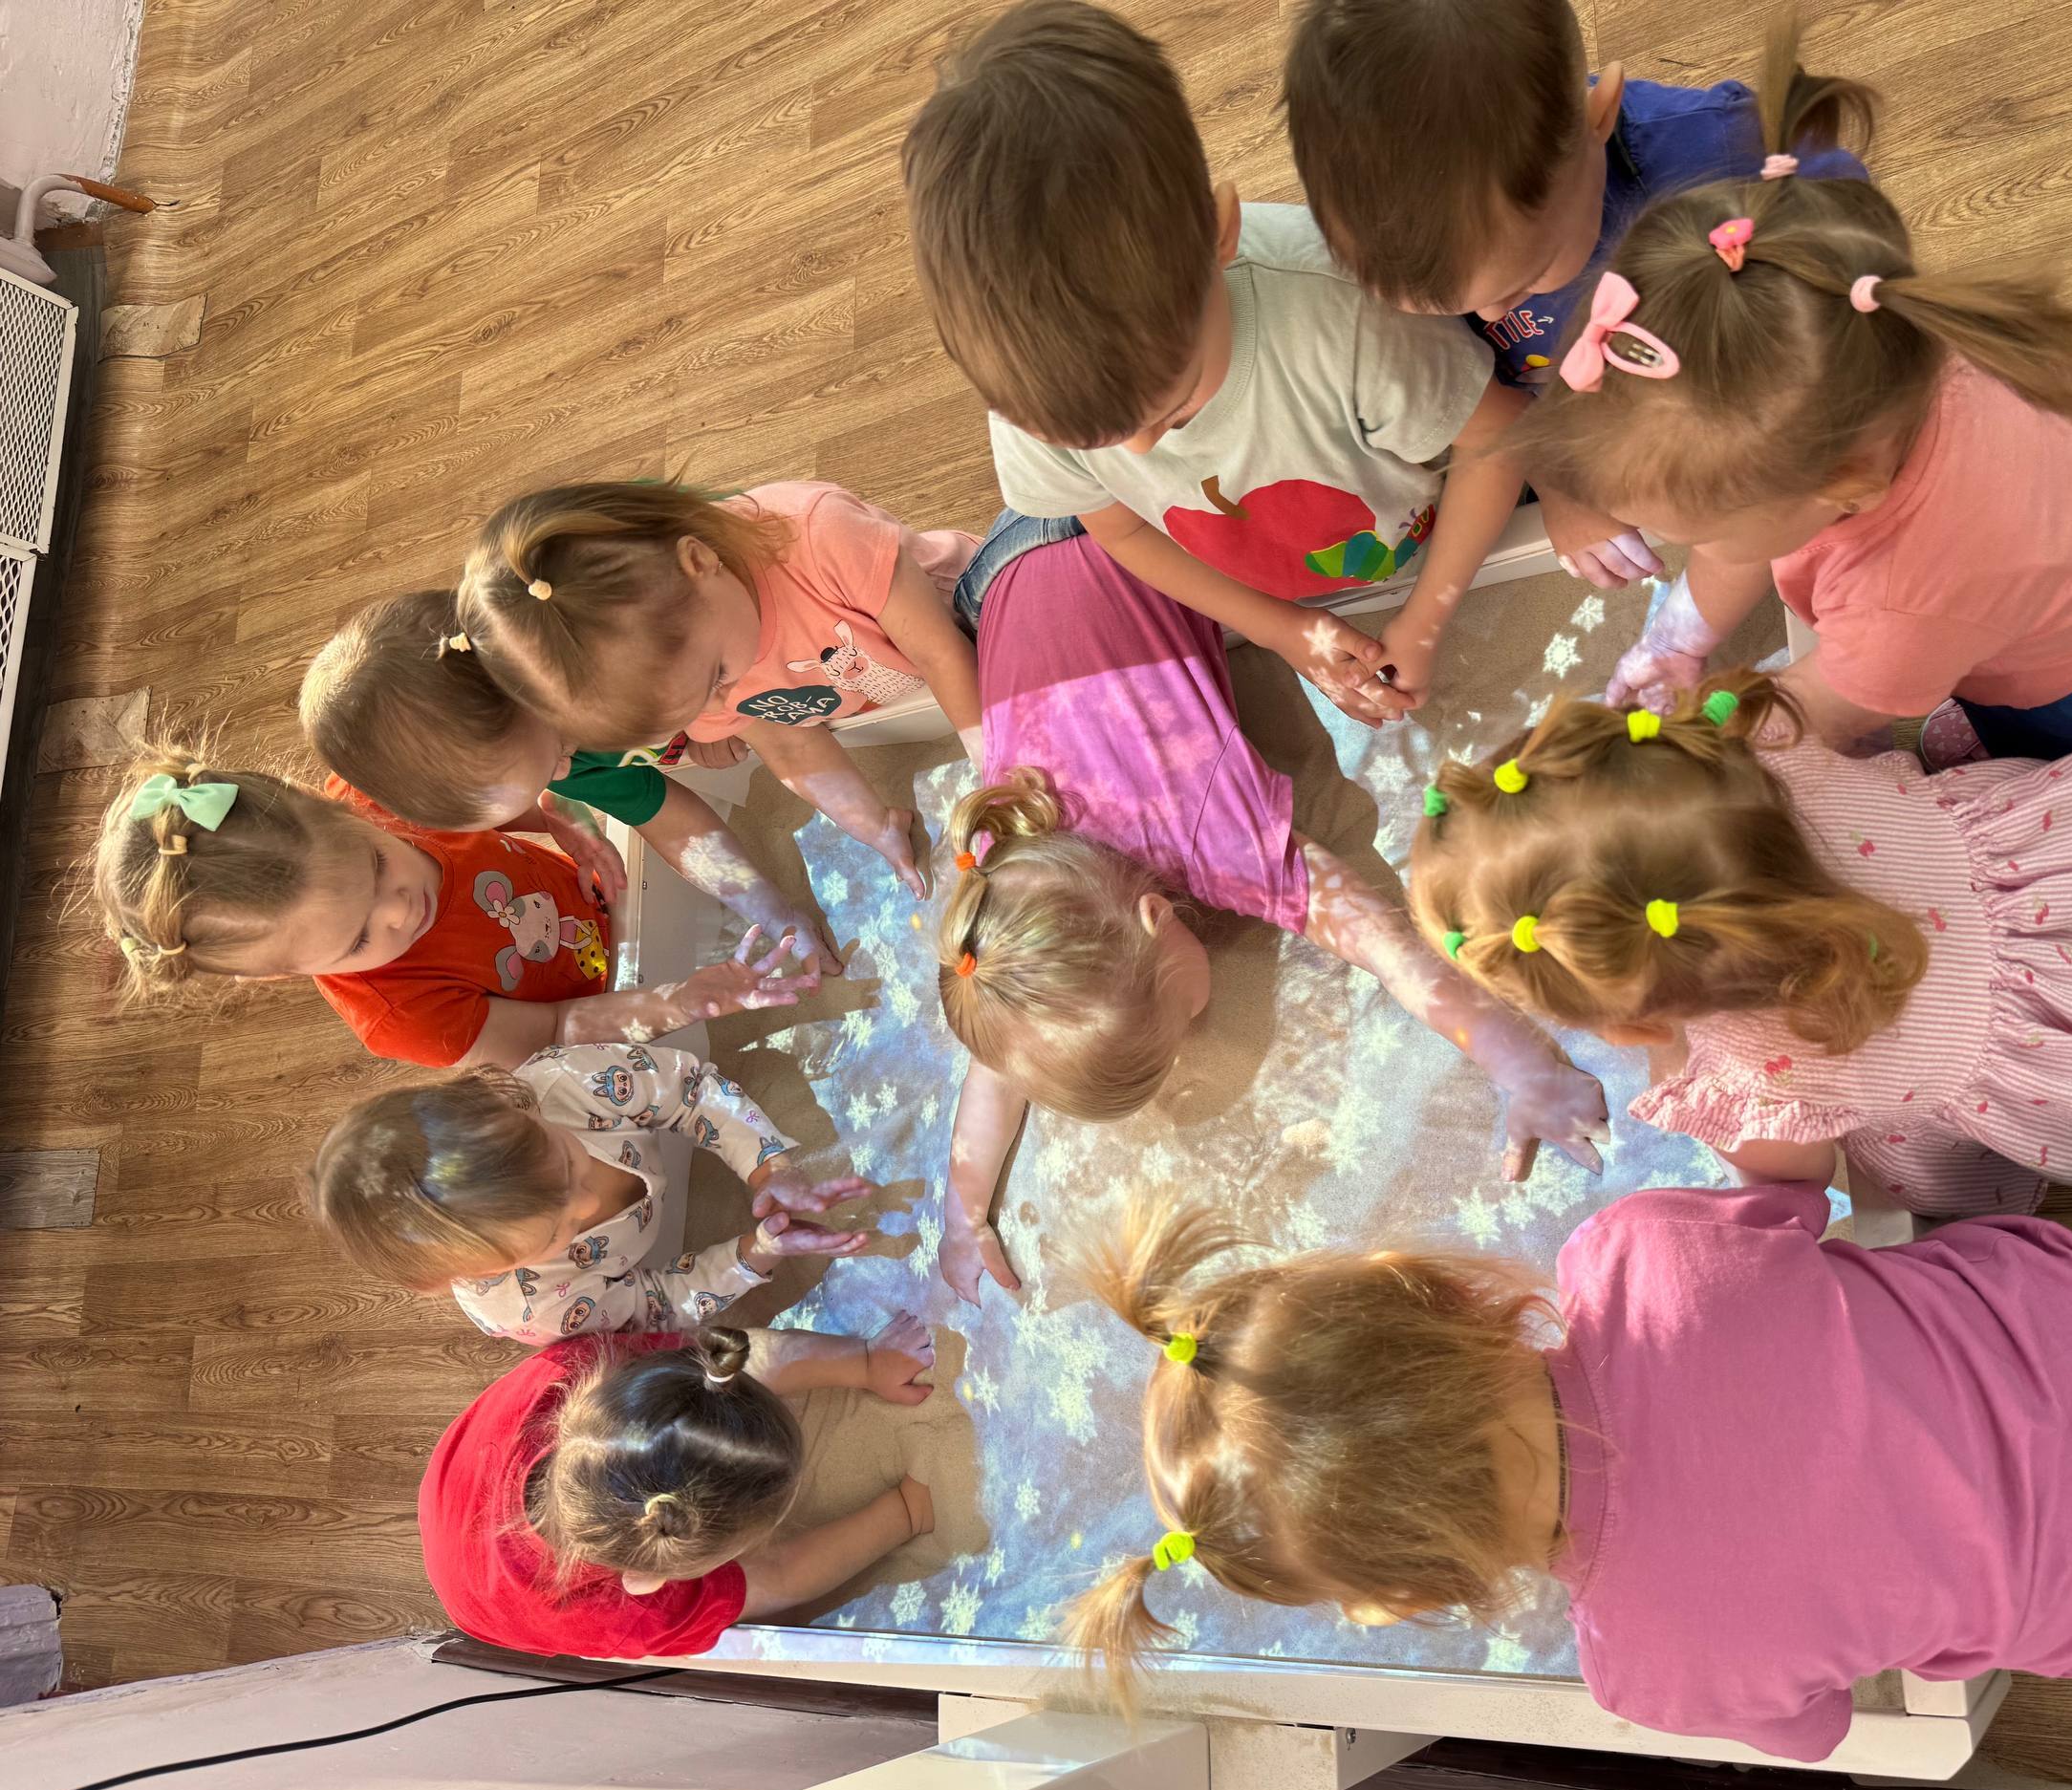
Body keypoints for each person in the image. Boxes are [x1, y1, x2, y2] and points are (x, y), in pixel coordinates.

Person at [1067, 1187, 2072, 1760]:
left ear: (1414, 1595)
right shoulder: (1633, 1250)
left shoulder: (1648, 1675)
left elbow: (1820, 1727)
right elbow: (1801, 1195)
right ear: (1446, 1294)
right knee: (1922, 1260)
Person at [1509, 12, 2072, 763]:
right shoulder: (1874, 335)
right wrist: (1675, 642)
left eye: (1700, 534)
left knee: (2050, 764)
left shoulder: (1900, 605)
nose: (1695, 551)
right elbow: (1740, 547)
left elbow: (1811, 715)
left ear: (1847, 490)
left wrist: (1678, 746)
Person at [932, 529, 1606, 1303]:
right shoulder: (1007, 876)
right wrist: (963, 1212)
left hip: (1116, 521)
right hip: (995, 581)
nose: (1194, 1031)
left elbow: (1388, 946)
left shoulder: (1209, 829)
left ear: (1159, 913)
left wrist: (1522, 1066)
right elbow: (1005, 1048)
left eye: (1183, 1016)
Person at [1408, 677, 2072, 1218]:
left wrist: (1684, 1083)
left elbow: (1795, 1189)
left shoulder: (1754, 1084)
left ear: (1630, 1019)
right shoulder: (1769, 749)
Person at [902, 0, 1529, 720]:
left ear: (1220, 233)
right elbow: (1121, 529)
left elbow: (1500, 436)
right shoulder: (1031, 391)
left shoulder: (1347, 316)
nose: (1141, 452)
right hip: (1305, 583)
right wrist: (1282, 630)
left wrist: (1427, 615)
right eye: (1096, 442)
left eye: (1173, 410)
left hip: (1461, 537)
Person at [1280, 0, 1862, 586]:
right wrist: (1559, 485)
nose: (1490, 316)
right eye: (1445, 309)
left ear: (1599, 118)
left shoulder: (1724, 152)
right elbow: (1490, 398)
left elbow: (1858, 257)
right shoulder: (1392, 239)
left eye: (1526, 279)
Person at [91, 745, 818, 1068]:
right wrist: (680, 1001)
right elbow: (555, 1031)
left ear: (335, 807)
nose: (399, 912)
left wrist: (556, 816)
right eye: (357, 940)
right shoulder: (400, 1016)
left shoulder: (380, 792)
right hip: (612, 1001)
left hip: (602, 897)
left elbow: (495, 804)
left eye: (379, 865)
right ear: (286, 973)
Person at [452, 479, 980, 899]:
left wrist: (996, 769)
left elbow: (942, 656)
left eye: (716, 678)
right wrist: (876, 828)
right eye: (689, 710)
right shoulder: (693, 661)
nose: (720, 707)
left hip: (974, 625)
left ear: (700, 561)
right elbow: (791, 746)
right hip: (873, 693)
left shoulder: (819, 537)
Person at [303, 590, 838, 975]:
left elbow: (735, 614)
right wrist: (774, 914)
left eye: (554, 760)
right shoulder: (556, 757)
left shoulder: (615, 630)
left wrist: (716, 714)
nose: (562, 775)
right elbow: (673, 823)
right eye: (546, 780)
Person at [419, 1325, 935, 1659]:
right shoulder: (631, 1615)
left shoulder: (577, 1367)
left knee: (697, 1381)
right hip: (480, 1601)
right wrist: (905, 1514)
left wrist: (865, 1361)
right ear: (647, 1579)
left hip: (459, 1478)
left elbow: (719, 1367)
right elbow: (780, 1573)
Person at [314, 1044, 885, 1344]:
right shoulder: (536, 1306)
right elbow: (656, 1305)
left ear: (510, 1106)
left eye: (567, 1160)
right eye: (556, 1232)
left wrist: (768, 1167)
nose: (587, 1206)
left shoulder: (558, 1084)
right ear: (495, 1269)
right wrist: (755, 1255)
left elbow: (689, 1092)